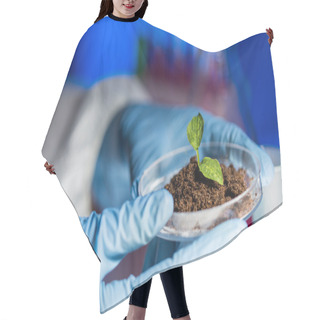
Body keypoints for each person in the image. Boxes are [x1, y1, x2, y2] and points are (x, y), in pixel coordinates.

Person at [44, 1, 274, 319]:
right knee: (152, 229)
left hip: (149, 151)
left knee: (163, 228)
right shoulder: (94, 37)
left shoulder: (148, 35)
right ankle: (169, 316)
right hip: (108, 156)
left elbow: (202, 63)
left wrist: (254, 51)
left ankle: (141, 315)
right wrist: (63, 151)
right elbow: (76, 102)